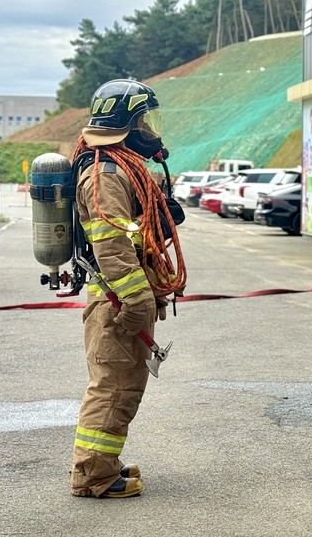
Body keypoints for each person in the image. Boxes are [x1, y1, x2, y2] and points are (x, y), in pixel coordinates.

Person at [70, 79, 187, 498]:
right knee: (114, 387)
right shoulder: (105, 174)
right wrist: (136, 299)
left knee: (123, 384)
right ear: (126, 124)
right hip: (117, 299)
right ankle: (94, 476)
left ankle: (103, 462)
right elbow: (112, 245)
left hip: (119, 296)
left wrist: (158, 216)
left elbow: (130, 234)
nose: (150, 129)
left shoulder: (116, 168)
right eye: (144, 121)